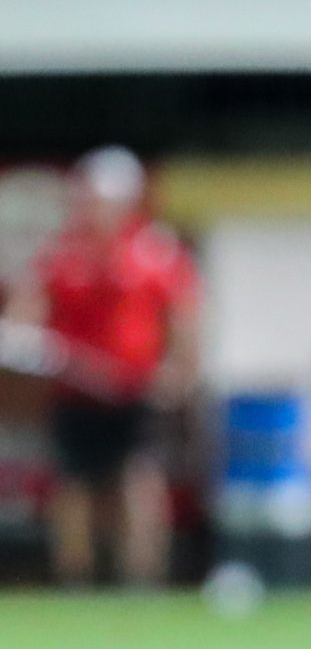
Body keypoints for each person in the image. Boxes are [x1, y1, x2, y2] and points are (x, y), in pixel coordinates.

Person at [4, 148, 198, 586]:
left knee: (136, 479)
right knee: (73, 484)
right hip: (76, 392)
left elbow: (183, 315)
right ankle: (76, 578)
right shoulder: (63, 253)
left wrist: (179, 370)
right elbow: (28, 312)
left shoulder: (153, 251)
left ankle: (142, 578)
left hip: (132, 390)